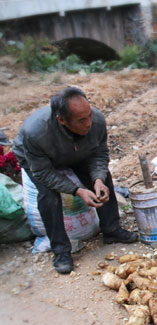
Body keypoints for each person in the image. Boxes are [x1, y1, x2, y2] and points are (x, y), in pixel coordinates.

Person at [12, 87, 138, 274]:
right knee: (48, 195)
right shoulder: (36, 133)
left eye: (89, 115)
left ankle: (111, 229)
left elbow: (100, 153)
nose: (88, 123)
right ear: (61, 120)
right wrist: (77, 190)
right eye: (81, 120)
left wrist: (97, 179)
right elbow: (44, 173)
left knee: (104, 179)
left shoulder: (96, 120)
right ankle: (61, 250)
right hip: (41, 161)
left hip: (77, 152)